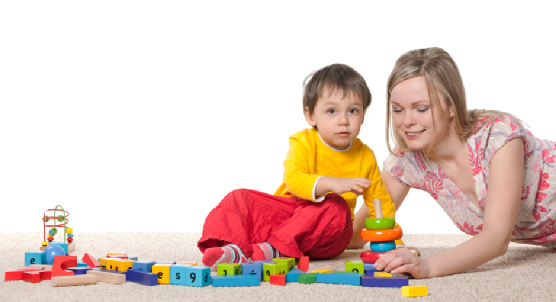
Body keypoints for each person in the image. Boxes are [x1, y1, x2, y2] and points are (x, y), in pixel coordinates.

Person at [358, 47, 556, 279]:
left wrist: (429, 266)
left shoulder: (498, 136)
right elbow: (359, 233)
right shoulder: (406, 161)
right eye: (398, 110)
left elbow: (497, 237)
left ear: (452, 106)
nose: (407, 121)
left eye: (421, 108)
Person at [198, 63, 395, 268]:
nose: (343, 120)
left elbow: (380, 200)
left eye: (353, 110)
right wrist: (330, 183)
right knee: (239, 197)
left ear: (363, 115)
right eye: (331, 111)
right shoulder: (302, 142)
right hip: (288, 216)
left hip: (327, 233)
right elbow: (293, 181)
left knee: (337, 205)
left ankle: (274, 249)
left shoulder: (365, 156)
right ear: (311, 116)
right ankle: (235, 248)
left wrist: (392, 241)